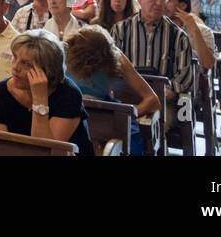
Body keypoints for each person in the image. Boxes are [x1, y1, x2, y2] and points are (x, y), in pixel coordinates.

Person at [0, 30, 94, 155]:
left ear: (47, 70)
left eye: (25, 63)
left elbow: (45, 151)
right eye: (15, 57)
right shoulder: (1, 92)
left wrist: (39, 98)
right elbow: (2, 148)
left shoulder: (68, 94)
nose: (15, 67)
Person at [112, 0, 195, 127]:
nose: (159, 3)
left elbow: (185, 77)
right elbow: (112, 68)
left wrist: (160, 93)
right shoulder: (121, 30)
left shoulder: (178, 36)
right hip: (126, 98)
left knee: (153, 125)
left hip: (162, 102)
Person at [64, 25, 159, 155]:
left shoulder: (114, 55)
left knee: (130, 140)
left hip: (105, 115)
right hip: (70, 113)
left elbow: (153, 100)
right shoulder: (64, 52)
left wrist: (127, 116)